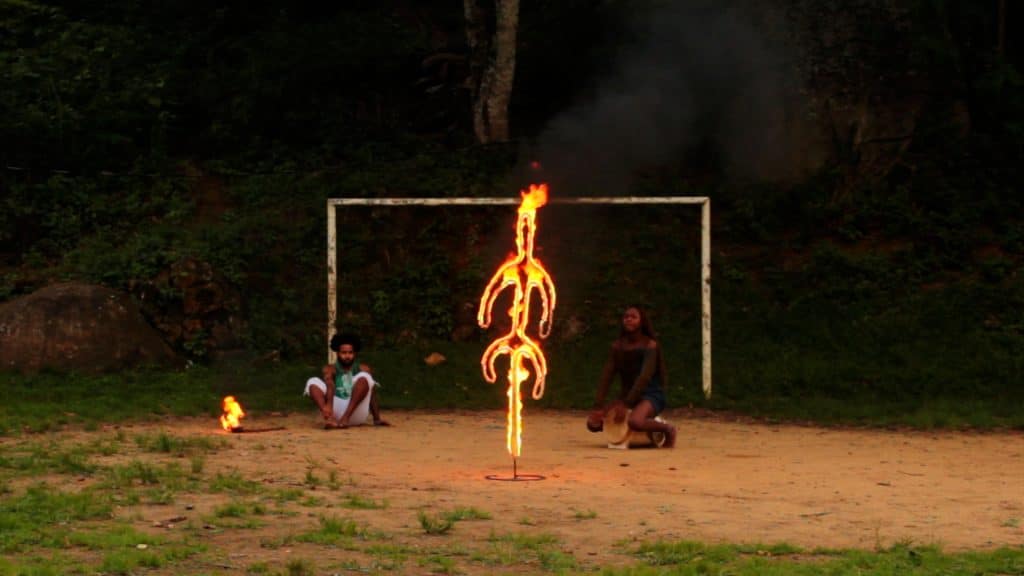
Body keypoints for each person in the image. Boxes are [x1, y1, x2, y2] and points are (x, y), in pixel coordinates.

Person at [586, 305, 676, 447]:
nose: (629, 320)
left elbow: (644, 377)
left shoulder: (650, 346)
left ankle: (667, 429)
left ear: (641, 321)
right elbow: (606, 376)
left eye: (633, 317)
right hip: (627, 395)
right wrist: (598, 406)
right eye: (626, 317)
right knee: (592, 424)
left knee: (635, 422)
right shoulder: (617, 346)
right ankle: (644, 426)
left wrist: (626, 404)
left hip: (650, 395)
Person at [304, 332, 390, 429]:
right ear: (338, 353)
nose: (347, 356)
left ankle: (345, 418)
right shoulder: (330, 368)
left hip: (356, 412)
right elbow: (330, 385)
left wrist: (377, 418)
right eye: (344, 353)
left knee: (364, 376)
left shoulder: (364, 368)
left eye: (350, 353)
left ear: (355, 353)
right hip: (335, 411)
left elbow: (372, 394)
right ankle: (330, 420)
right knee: (312, 381)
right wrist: (328, 405)